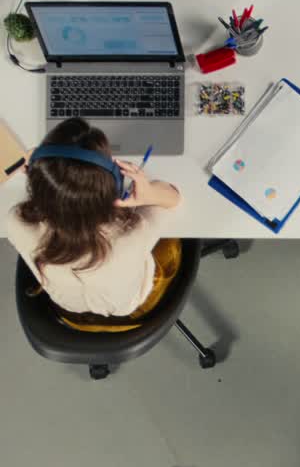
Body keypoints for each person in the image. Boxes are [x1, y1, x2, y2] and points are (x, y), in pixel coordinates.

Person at [8, 116, 182, 321]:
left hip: (66, 305)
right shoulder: (131, 233)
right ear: (114, 185)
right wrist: (148, 192)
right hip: (127, 306)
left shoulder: (16, 221)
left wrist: (43, 172)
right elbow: (173, 198)